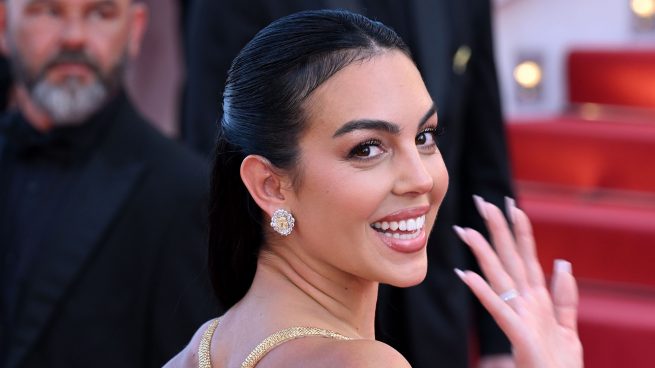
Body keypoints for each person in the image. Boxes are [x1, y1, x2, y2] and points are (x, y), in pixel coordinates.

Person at [166, 10, 582, 367]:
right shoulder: (364, 362)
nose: (420, 178)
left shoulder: (203, 348)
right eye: (367, 148)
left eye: (424, 137)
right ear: (271, 185)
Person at [0, 0, 220, 367]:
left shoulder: (184, 193)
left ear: (135, 30)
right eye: (48, 11)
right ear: (3, 24)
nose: (74, 38)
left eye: (101, 13)